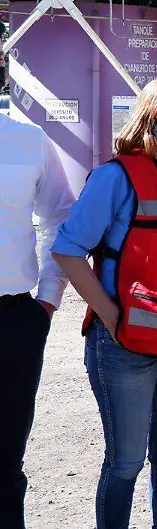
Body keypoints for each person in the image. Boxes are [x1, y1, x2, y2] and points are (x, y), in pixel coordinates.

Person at [51, 74, 157, 529]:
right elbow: (68, 249)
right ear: (149, 116)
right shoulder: (115, 177)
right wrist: (111, 318)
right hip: (124, 345)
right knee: (125, 461)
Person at [0, 108, 74, 528]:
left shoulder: (30, 141)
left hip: (13, 322)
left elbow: (59, 216)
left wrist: (47, 300)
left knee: (6, 462)